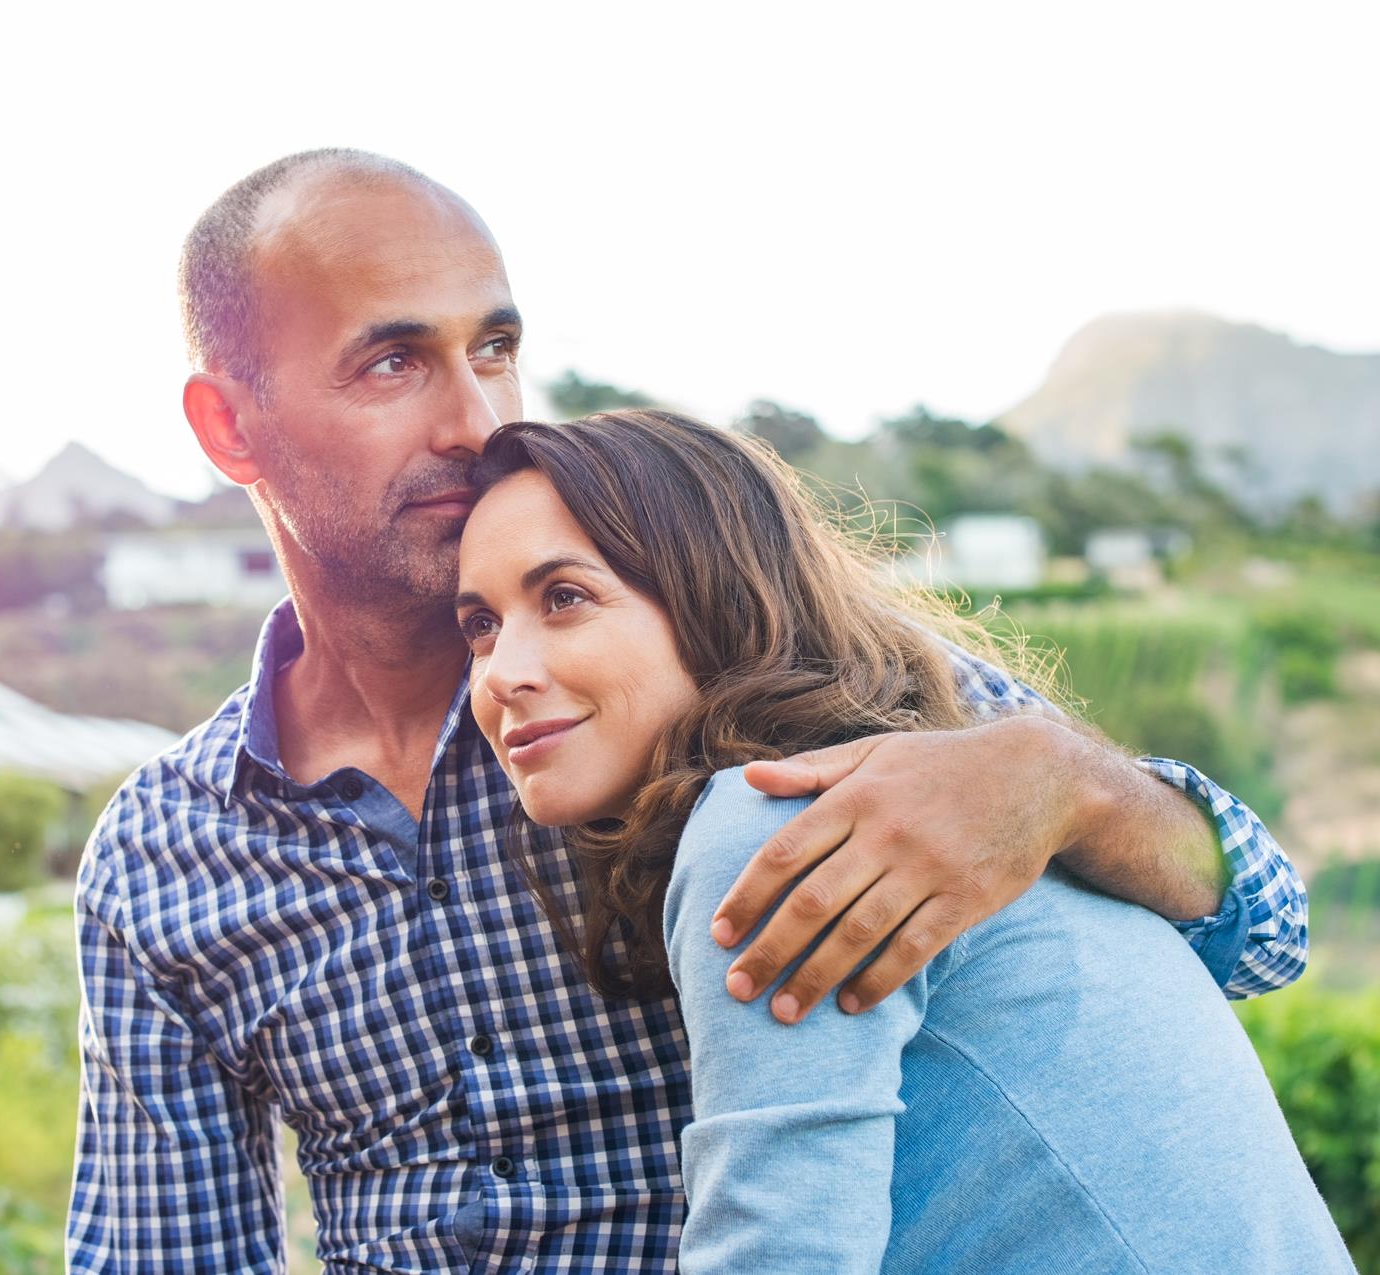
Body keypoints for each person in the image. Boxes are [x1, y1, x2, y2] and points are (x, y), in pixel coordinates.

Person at [67, 148, 1309, 1271]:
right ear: (231, 425)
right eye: (393, 362)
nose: (476, 419)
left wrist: (1065, 784)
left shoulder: (760, 693)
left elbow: (1261, 931)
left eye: (494, 350)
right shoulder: (160, 856)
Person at [453, 409, 1350, 1273]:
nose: (502, 676)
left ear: (710, 598)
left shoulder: (783, 817)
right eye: (480, 626)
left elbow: (781, 1256)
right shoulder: (915, 773)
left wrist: (1075, 777)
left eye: (565, 598)